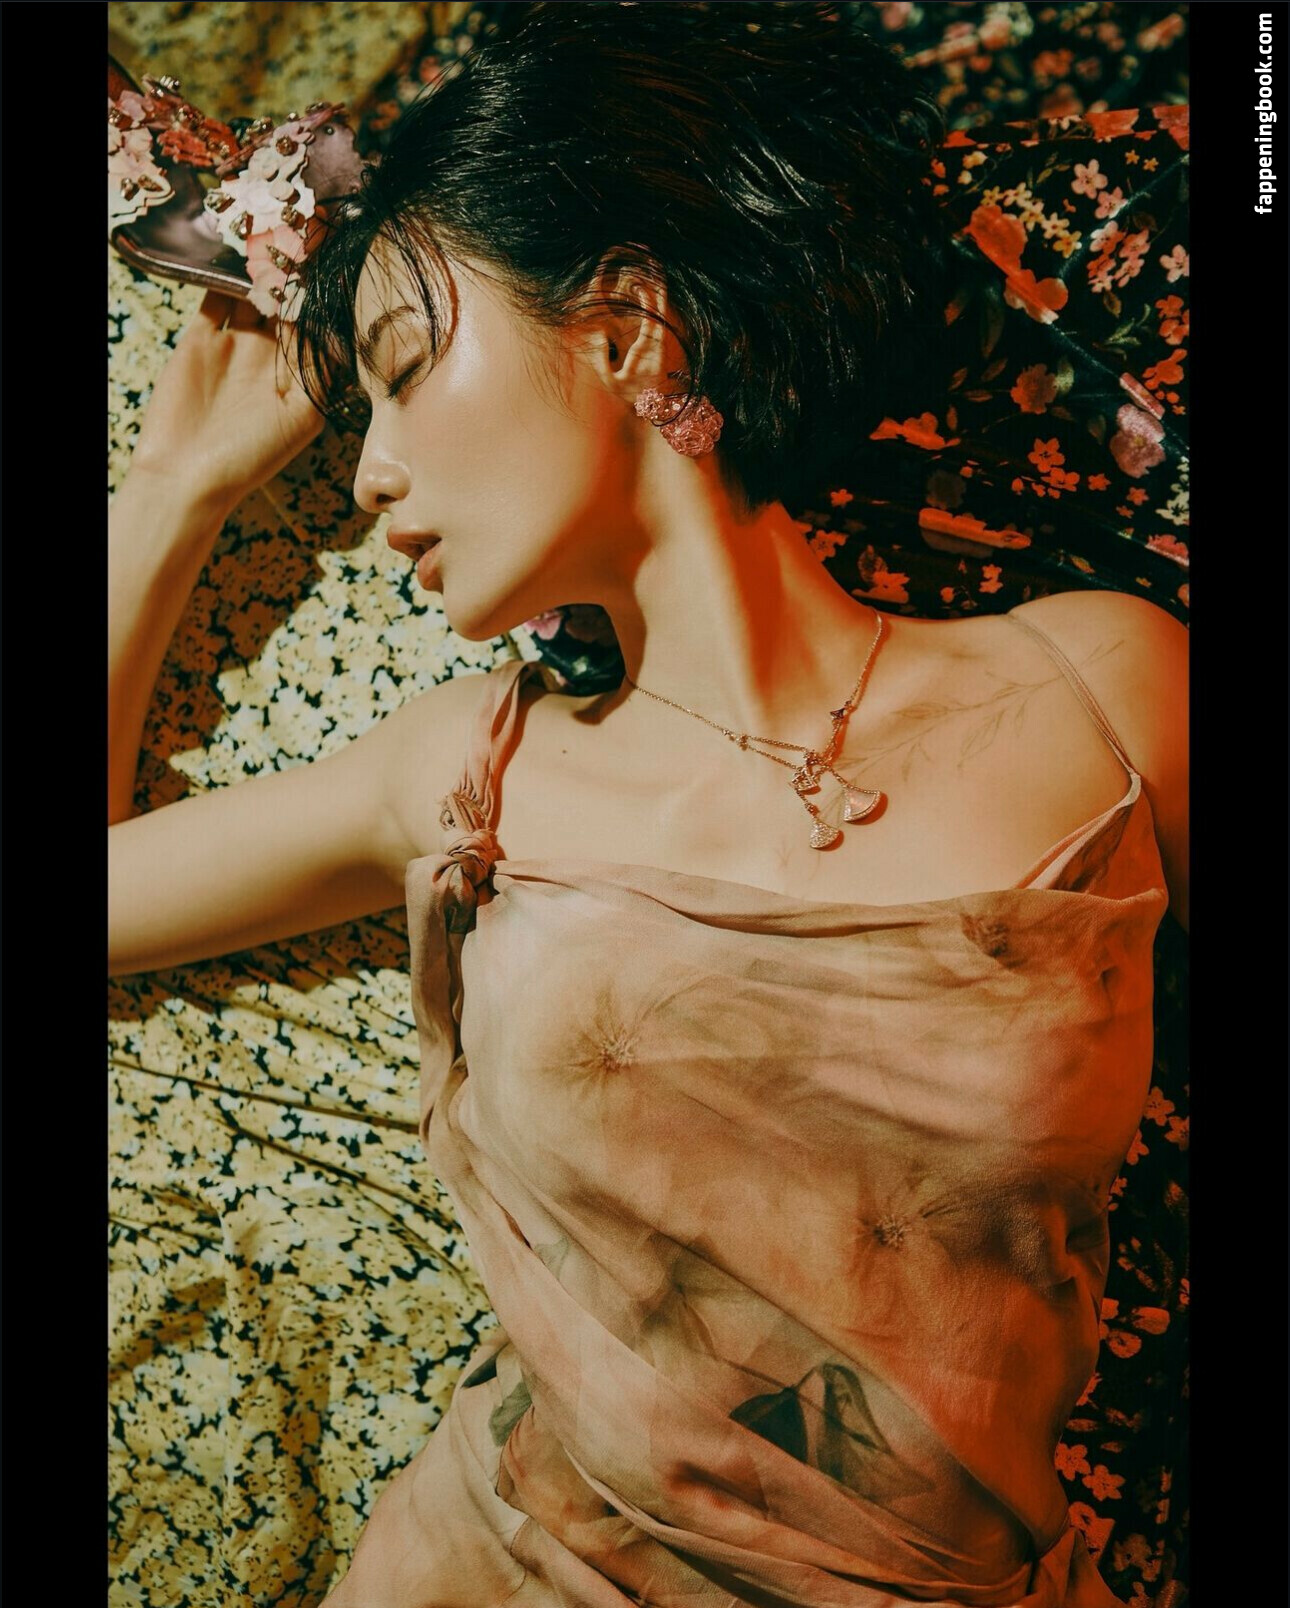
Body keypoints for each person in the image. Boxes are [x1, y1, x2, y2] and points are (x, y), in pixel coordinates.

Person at [109, 6, 1188, 1604]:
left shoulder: (1101, 691)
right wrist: (172, 487)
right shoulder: (471, 772)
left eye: (401, 373)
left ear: (625, 330)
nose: (366, 472)